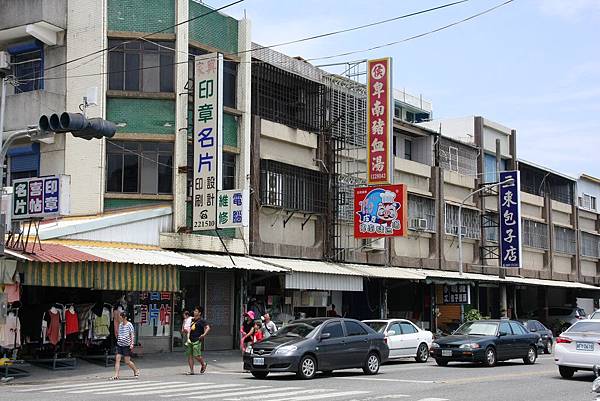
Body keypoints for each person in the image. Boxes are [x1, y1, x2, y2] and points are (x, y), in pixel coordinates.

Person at [112, 312, 139, 380]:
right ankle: (116, 375)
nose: (120, 319)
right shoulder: (120, 324)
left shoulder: (129, 325)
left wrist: (132, 343)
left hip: (126, 345)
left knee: (127, 361)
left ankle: (135, 370)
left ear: (125, 318)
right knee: (117, 359)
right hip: (120, 344)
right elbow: (119, 333)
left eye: (121, 317)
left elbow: (132, 335)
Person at [185, 306, 210, 375]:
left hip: (197, 339)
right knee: (190, 355)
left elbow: (208, 327)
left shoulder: (202, 320)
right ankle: (191, 370)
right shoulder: (192, 320)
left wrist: (204, 334)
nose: (194, 312)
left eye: (196, 311)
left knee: (196, 355)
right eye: (194, 311)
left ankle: (203, 364)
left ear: (199, 313)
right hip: (190, 339)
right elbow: (189, 328)